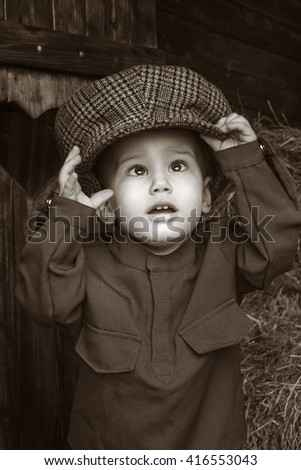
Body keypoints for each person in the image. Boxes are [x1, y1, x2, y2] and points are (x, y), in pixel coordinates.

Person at [16, 65, 301, 450]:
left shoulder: (224, 249)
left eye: (178, 165)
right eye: (137, 169)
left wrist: (246, 162)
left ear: (203, 198)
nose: (160, 183)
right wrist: (67, 217)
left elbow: (277, 246)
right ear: (110, 204)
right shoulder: (87, 263)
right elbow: (42, 303)